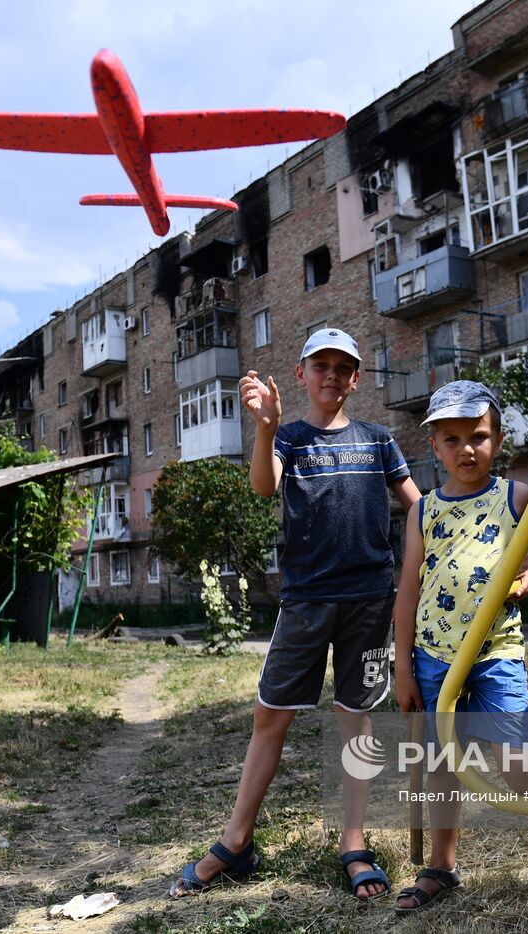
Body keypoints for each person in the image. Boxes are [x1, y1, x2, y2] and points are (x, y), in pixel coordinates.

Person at [169, 328, 420, 901]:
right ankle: (236, 842)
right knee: (270, 716)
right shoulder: (289, 438)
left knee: (356, 721)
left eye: (343, 367)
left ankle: (353, 844)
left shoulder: (379, 440)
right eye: (320, 365)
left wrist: (473, 516)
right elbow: (263, 488)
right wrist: (264, 426)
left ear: (356, 378)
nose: (331, 375)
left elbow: (420, 510)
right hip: (305, 600)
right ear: (302, 373)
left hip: (371, 602)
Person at [391, 380, 528, 916]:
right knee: (441, 762)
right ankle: (440, 865)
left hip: (495, 654)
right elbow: (409, 590)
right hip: (434, 655)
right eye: (453, 438)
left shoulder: (516, 497)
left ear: (498, 439)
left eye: (478, 436)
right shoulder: (423, 512)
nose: (467, 448)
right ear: (434, 447)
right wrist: (404, 668)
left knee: (515, 758)